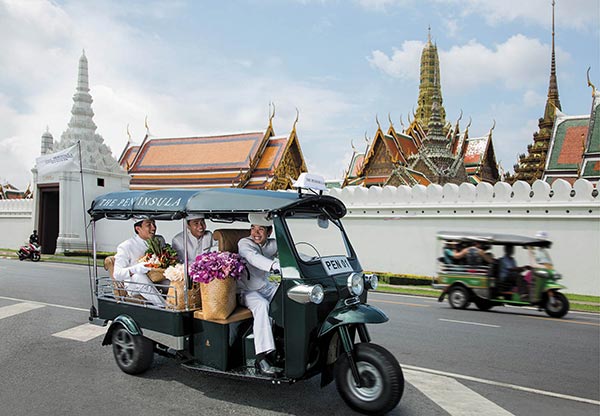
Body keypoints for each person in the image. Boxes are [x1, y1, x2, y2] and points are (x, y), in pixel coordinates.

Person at [237, 213, 281, 377]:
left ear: (269, 232)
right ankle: (262, 356)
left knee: (289, 295)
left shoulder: (272, 244)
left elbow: (289, 251)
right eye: (253, 228)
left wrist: (312, 261)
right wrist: (274, 265)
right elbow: (253, 258)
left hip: (266, 287)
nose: (255, 233)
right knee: (262, 305)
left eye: (260, 229)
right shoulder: (245, 243)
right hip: (246, 291)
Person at [112, 218, 167, 306]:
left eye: (154, 224)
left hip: (157, 279)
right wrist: (136, 269)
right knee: (138, 276)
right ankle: (164, 306)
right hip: (134, 285)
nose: (153, 228)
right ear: (138, 228)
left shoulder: (159, 240)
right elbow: (117, 274)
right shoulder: (126, 246)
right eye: (148, 225)